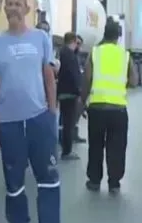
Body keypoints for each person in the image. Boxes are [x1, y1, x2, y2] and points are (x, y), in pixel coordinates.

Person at [0, 0, 61, 223]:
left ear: (28, 9)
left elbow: (48, 76)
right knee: (13, 181)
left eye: (18, 4)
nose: (13, 8)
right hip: (9, 122)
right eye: (9, 4)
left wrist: (51, 113)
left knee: (47, 177)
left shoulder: (40, 38)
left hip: (39, 119)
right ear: (4, 9)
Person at [81, 21, 137, 193]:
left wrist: (83, 101)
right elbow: (134, 81)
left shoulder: (95, 52)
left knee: (96, 145)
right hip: (118, 109)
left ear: (104, 33)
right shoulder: (125, 55)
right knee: (117, 147)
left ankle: (95, 181)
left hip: (97, 107)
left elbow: (87, 79)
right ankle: (114, 182)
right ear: (118, 36)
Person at [58, 32, 83, 160]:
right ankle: (67, 151)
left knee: (65, 122)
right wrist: (80, 91)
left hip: (62, 92)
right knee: (69, 123)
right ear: (73, 41)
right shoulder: (70, 56)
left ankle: (64, 148)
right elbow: (75, 75)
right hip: (70, 93)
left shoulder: (62, 53)